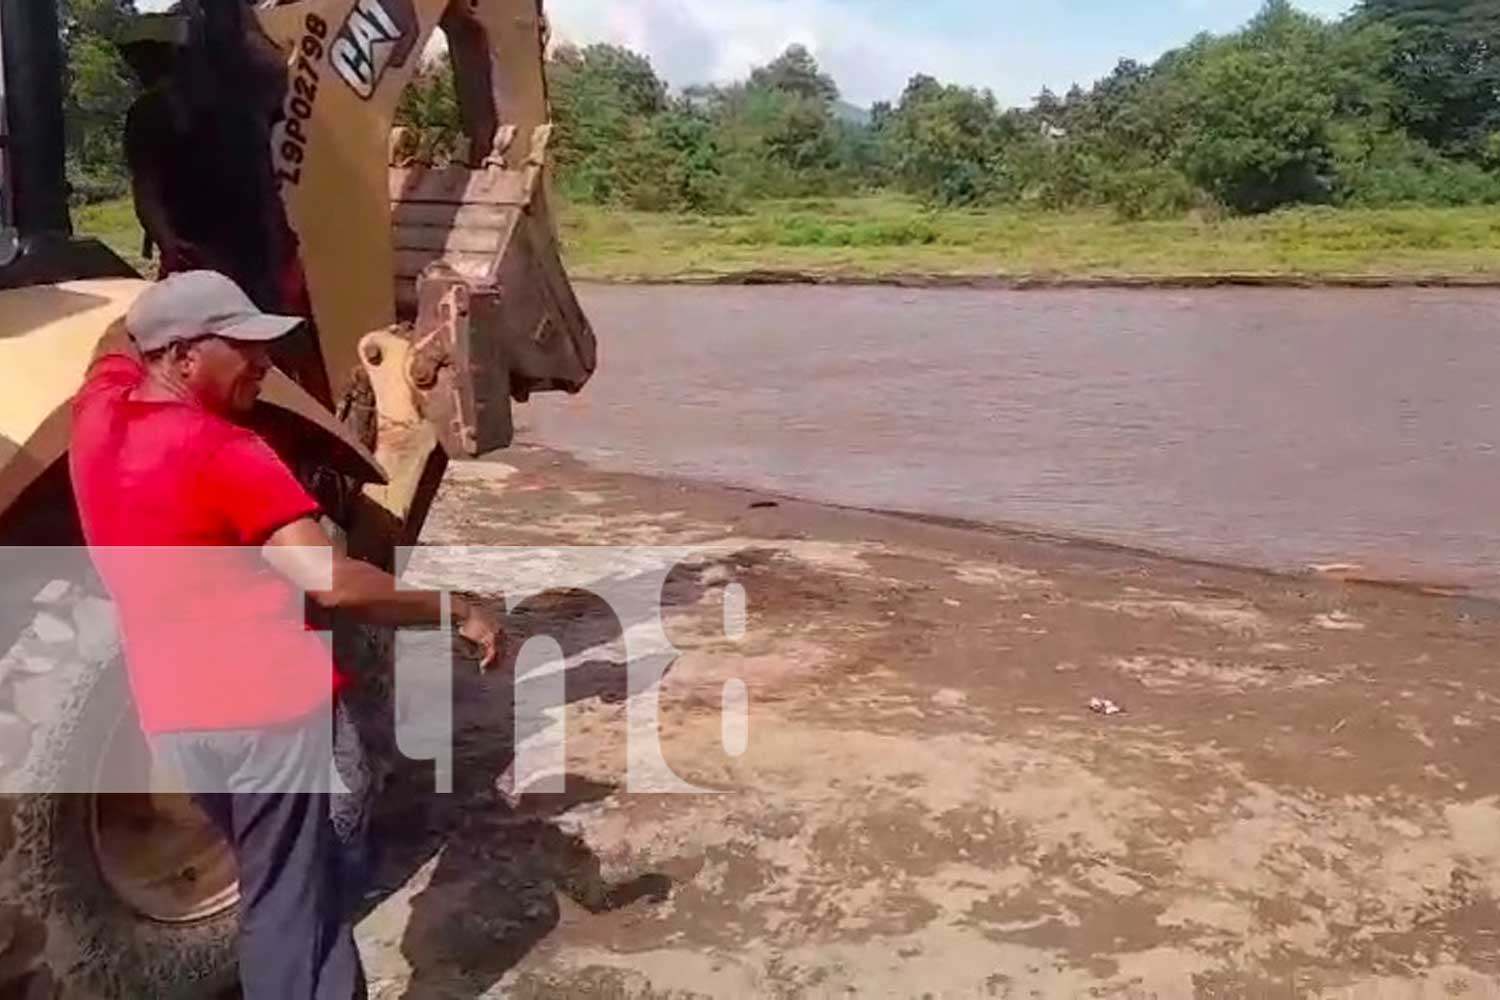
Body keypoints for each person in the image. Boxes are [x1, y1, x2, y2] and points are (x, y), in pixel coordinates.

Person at [69, 270, 502, 999]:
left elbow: (114, 347)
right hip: (264, 719)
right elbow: (332, 581)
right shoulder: (226, 453)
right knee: (289, 909)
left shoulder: (96, 421)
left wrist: (159, 290)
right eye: (243, 348)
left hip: (176, 723)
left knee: (294, 885)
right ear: (182, 357)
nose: (264, 364)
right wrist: (455, 608)